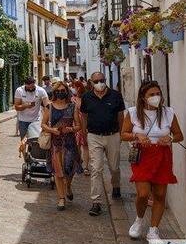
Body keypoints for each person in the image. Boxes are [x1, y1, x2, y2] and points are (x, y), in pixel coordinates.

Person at [121, 81, 183, 241]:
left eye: (158, 94)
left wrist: (169, 138)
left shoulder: (168, 113)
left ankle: (153, 230)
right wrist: (137, 136)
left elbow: (179, 135)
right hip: (142, 155)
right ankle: (139, 220)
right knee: (143, 194)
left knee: (160, 194)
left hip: (162, 155)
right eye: (151, 94)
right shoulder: (133, 113)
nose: (156, 97)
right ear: (143, 97)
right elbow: (123, 134)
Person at [80, 71, 126, 217]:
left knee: (114, 166)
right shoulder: (87, 97)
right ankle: (96, 202)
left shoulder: (115, 95)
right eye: (96, 81)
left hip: (112, 135)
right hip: (94, 136)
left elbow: (120, 115)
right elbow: (84, 116)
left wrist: (121, 133)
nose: (99, 83)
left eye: (102, 80)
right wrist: (83, 132)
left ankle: (116, 185)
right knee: (96, 168)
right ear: (91, 82)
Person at [41, 82, 83, 210]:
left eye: (62, 90)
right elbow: (43, 124)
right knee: (58, 171)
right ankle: (61, 198)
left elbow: (79, 125)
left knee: (69, 169)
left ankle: (68, 186)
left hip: (69, 142)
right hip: (55, 143)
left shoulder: (72, 106)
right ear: (54, 92)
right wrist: (52, 130)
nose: (60, 92)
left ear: (66, 91)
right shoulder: (50, 107)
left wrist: (70, 129)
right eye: (58, 90)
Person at [14, 77, 49, 151]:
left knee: (35, 140)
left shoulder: (41, 90)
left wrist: (47, 119)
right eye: (28, 87)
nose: (30, 89)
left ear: (34, 83)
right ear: (25, 84)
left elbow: (47, 106)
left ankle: (33, 156)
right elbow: (17, 107)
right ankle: (25, 159)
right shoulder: (19, 90)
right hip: (23, 120)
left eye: (32, 87)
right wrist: (26, 105)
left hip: (36, 120)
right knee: (23, 141)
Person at [71, 80, 90, 175]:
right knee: (77, 146)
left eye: (73, 86)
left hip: (84, 125)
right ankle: (79, 163)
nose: (72, 88)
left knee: (85, 146)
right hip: (75, 125)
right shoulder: (72, 99)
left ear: (78, 88)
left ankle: (86, 167)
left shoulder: (86, 98)